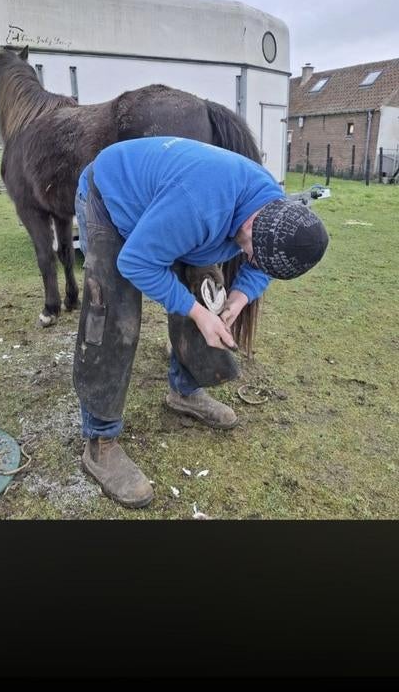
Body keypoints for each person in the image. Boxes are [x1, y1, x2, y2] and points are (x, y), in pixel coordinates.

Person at [73, 136, 329, 508]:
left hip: (187, 212)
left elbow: (261, 264)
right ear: (256, 223)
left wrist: (238, 299)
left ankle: (185, 391)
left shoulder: (274, 210)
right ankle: (100, 441)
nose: (252, 259)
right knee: (114, 313)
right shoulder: (197, 206)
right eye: (252, 250)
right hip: (110, 199)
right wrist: (196, 313)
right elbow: (136, 262)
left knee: (210, 291)